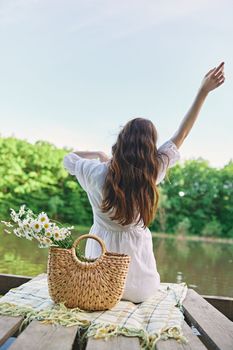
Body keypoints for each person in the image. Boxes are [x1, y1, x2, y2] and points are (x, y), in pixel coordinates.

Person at [63, 62, 225, 303]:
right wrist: (203, 92)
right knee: (142, 289)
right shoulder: (152, 172)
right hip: (140, 287)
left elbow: (69, 159)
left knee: (101, 288)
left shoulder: (95, 172)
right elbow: (181, 135)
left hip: (100, 282)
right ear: (149, 147)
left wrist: (99, 154)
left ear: (121, 140)